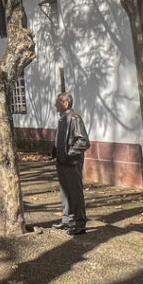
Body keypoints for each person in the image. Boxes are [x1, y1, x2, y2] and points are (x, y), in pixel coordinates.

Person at [51, 92, 91, 235]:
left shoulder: (74, 118)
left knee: (75, 193)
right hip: (62, 162)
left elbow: (83, 141)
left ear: (66, 103)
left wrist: (69, 153)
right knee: (65, 193)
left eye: (58, 102)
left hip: (71, 162)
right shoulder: (63, 119)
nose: (55, 105)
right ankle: (67, 220)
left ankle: (79, 224)